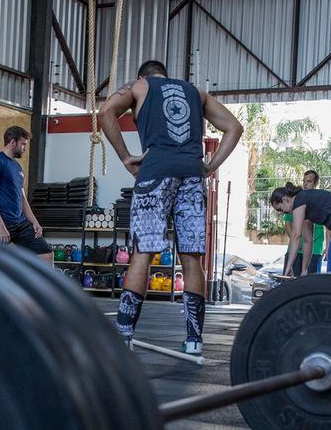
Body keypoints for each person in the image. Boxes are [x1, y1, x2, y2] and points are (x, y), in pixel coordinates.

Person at [99, 59, 243, 355]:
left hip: (155, 173)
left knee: (143, 253)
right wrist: (209, 167)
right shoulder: (196, 92)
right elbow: (234, 127)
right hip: (191, 174)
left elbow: (105, 112)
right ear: (165, 74)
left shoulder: (140, 86)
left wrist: (126, 157)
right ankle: (194, 340)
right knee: (192, 257)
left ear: (143, 76)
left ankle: (124, 335)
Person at [0, 126, 51, 262]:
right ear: (13, 142)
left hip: (20, 223)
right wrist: (1, 226)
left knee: (45, 254)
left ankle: (44, 284)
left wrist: (34, 222)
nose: (25, 148)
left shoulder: (17, 167)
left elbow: (22, 199)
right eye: (23, 144)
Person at [269, 174, 331, 274]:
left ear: (285, 200)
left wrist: (287, 269)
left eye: (280, 209)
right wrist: (304, 270)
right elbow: (307, 240)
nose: (282, 212)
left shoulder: (299, 200)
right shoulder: (305, 202)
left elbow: (296, 236)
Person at [299, 169, 325, 274]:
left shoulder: (321, 199)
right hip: (299, 248)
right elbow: (288, 223)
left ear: (316, 183)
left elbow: (328, 227)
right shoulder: (299, 199)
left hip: (315, 249)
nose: (305, 184)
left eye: (309, 181)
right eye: (304, 181)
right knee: (296, 280)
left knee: (312, 281)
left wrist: (328, 248)